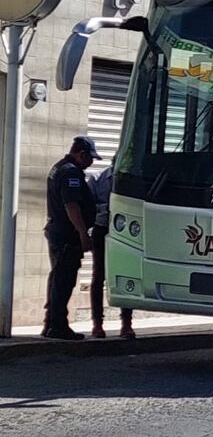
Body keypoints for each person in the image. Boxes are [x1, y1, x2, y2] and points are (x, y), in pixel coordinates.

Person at [43, 137, 100, 340]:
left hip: (58, 232)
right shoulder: (70, 173)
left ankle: (51, 323)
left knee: (58, 278)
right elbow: (72, 205)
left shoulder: (59, 167)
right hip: (67, 235)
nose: (91, 163)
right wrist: (83, 233)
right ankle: (58, 325)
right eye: (90, 158)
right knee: (64, 280)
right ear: (81, 154)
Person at [88, 156, 135, 339]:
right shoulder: (97, 179)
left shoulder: (131, 180)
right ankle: (97, 324)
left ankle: (126, 324)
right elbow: (87, 206)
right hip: (102, 230)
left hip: (125, 232)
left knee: (126, 275)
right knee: (98, 276)